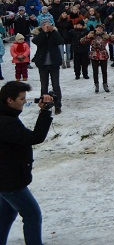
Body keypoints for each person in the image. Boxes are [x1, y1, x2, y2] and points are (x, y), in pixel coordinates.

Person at [0, 80, 53, 245]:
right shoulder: (6, 123)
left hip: (6, 179)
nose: (24, 102)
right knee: (32, 215)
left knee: (6, 215)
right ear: (10, 100)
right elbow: (34, 137)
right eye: (21, 99)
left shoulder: (5, 116)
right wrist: (45, 112)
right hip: (10, 181)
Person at [31, 19, 64, 114]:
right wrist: (43, 32)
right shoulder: (38, 34)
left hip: (54, 64)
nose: (46, 26)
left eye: (48, 24)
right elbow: (36, 41)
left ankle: (57, 105)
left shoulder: (54, 33)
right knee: (44, 86)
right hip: (43, 64)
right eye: (44, 25)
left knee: (56, 85)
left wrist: (52, 31)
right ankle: (44, 105)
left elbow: (60, 41)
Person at [81, 24, 114, 93]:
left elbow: (113, 42)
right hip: (94, 54)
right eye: (98, 28)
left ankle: (105, 84)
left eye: (101, 28)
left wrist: (112, 38)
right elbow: (82, 41)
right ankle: (96, 84)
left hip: (103, 54)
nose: (99, 29)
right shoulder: (92, 35)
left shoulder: (105, 36)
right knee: (95, 71)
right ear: (96, 29)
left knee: (104, 71)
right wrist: (87, 37)